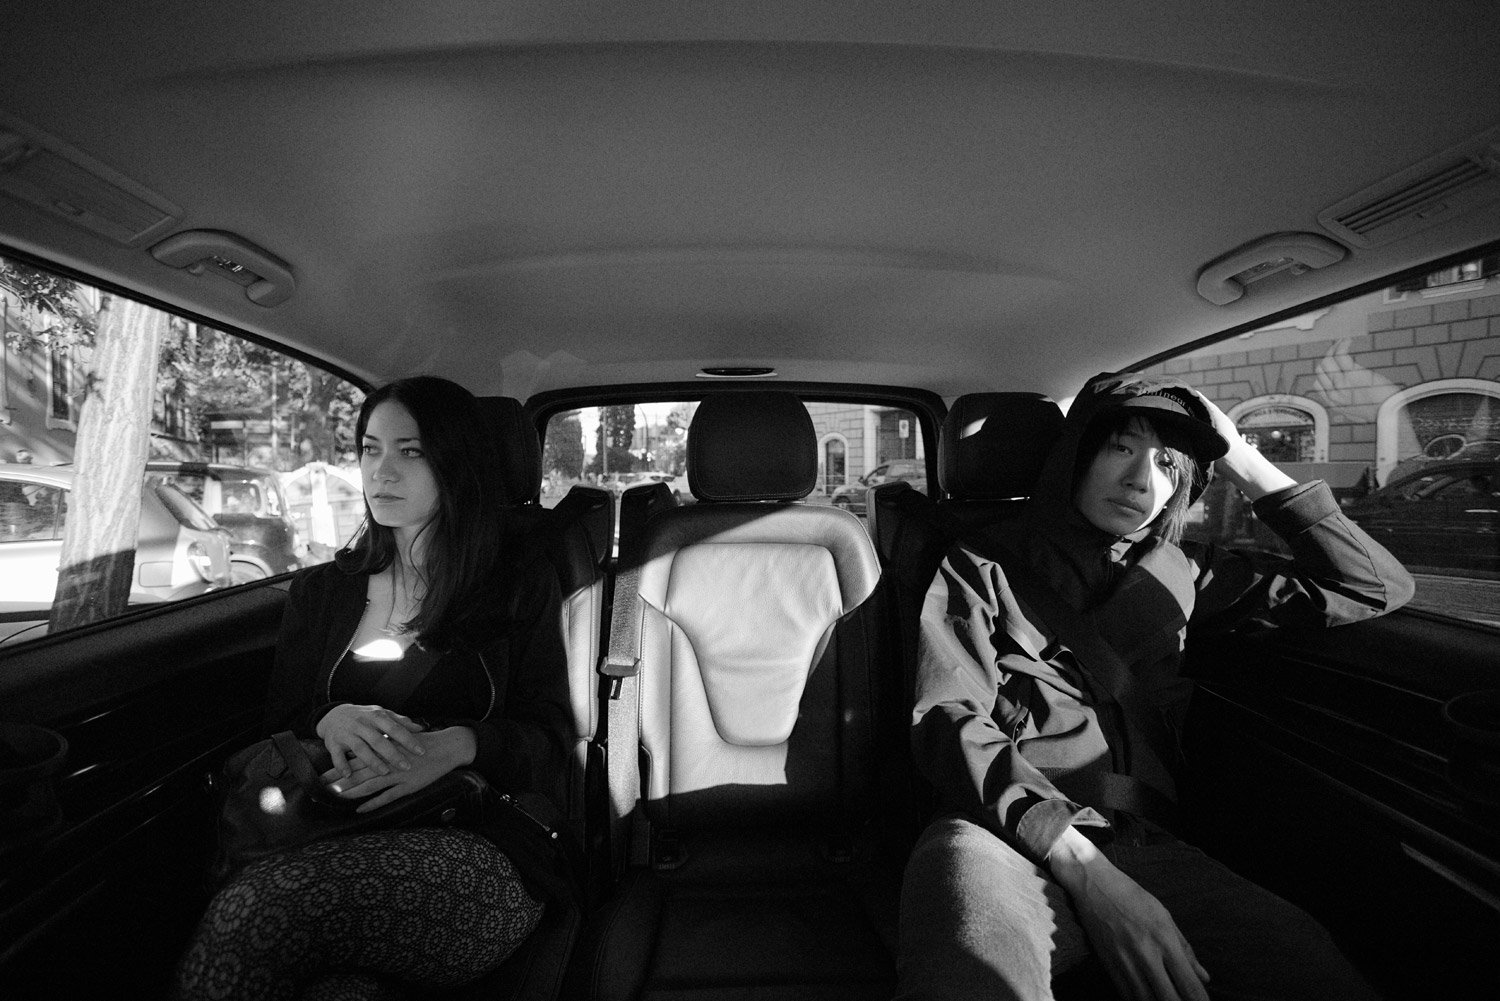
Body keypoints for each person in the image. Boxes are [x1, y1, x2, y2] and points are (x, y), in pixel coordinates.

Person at [896, 373, 1414, 1001]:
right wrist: (1083, 865)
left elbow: (1372, 586)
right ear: (1075, 456)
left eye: (1168, 463)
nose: (1141, 479)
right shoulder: (982, 564)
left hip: (1149, 844)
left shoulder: (1186, 570)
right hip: (998, 832)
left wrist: (1241, 456)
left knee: (1312, 970)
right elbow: (948, 714)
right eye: (1121, 448)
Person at [175, 376, 571, 1000]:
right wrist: (328, 717)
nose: (381, 472)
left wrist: (460, 745)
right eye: (369, 449)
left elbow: (551, 739)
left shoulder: (518, 586)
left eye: (411, 451)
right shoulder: (321, 592)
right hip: (333, 831)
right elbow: (283, 725)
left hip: (476, 846)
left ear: (457, 463)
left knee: (256, 910)